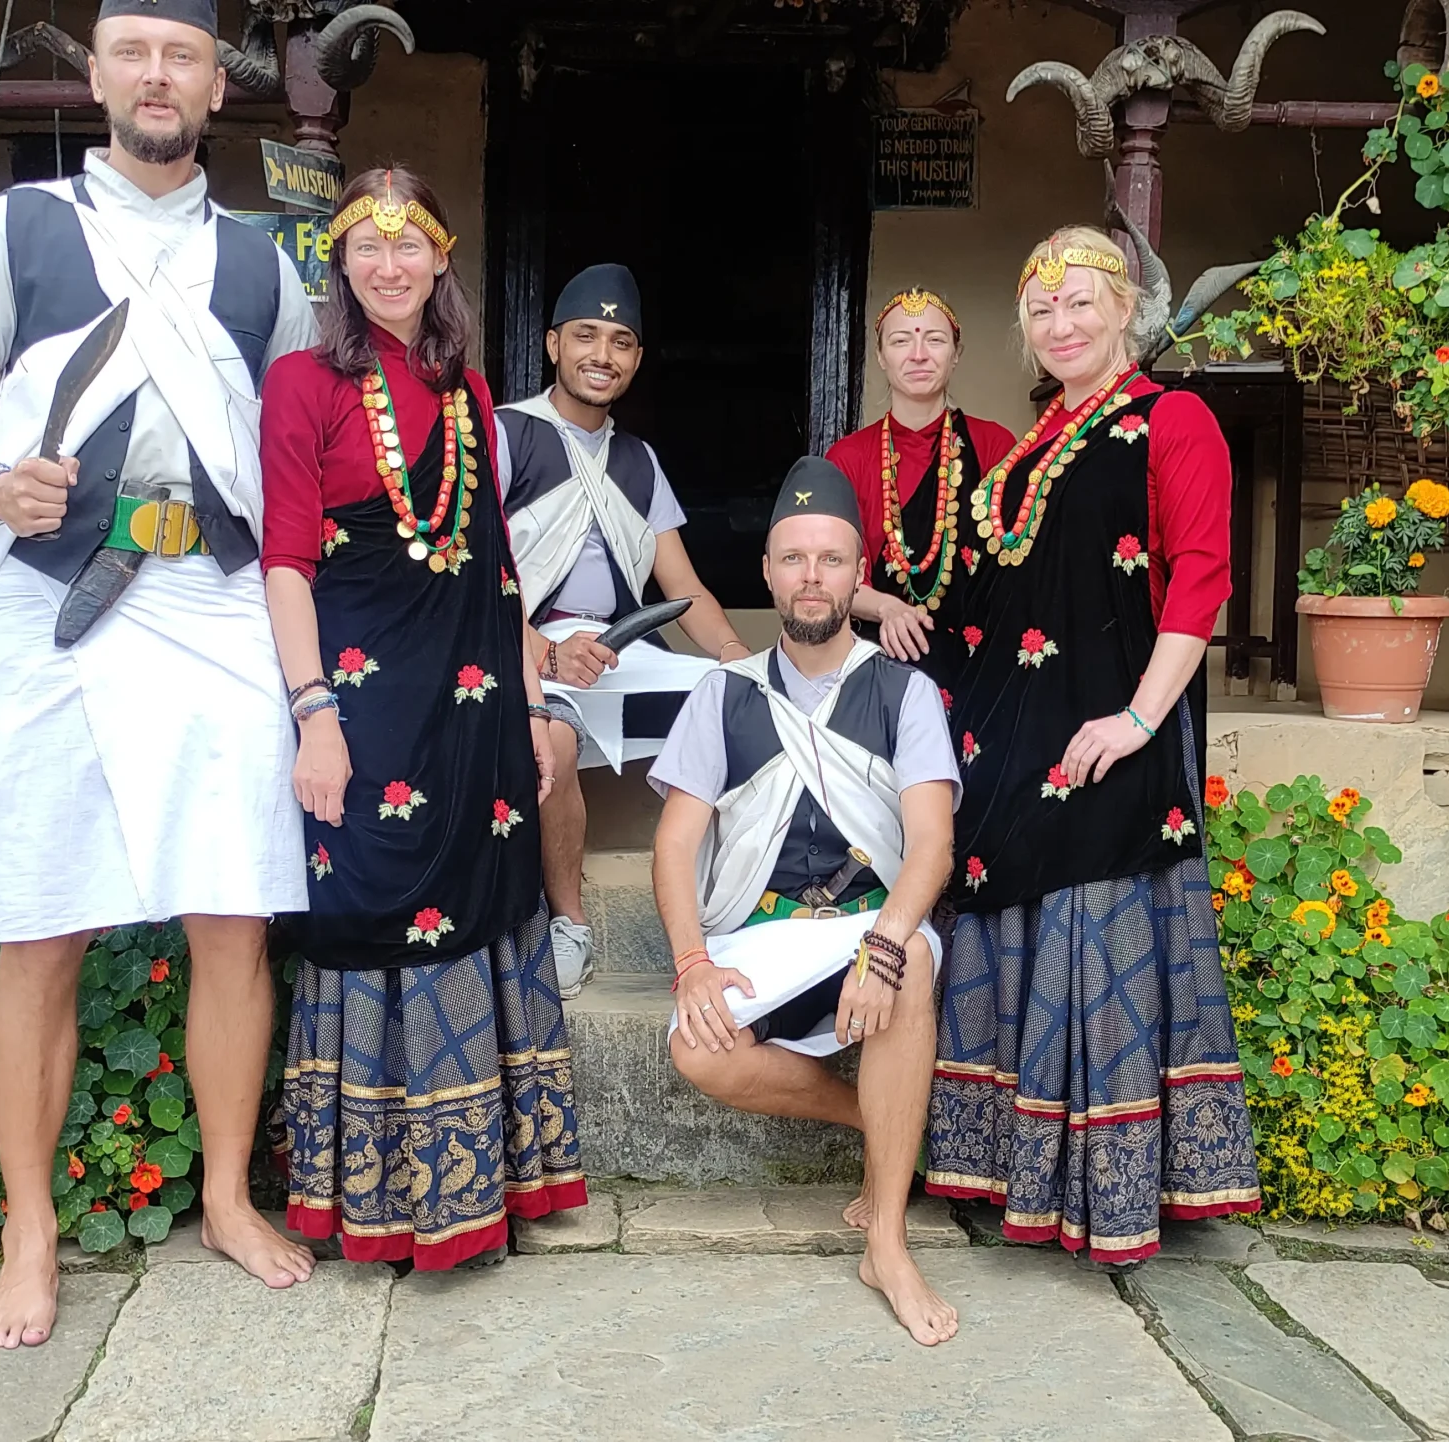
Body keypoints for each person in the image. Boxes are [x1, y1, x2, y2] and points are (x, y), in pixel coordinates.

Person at [0, 0, 319, 1348]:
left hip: (216, 603)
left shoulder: (263, 266)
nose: (156, 75)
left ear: (216, 85)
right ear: (93, 74)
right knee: (42, 927)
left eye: (181, 55)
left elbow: (296, 462)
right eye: (132, 52)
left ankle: (226, 1197)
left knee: (233, 918)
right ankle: (28, 1229)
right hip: (54, 605)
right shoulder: (19, 231)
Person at [258, 166, 588, 1270]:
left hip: (474, 703)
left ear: (441, 256)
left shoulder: (467, 390)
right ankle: (378, 1201)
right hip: (361, 706)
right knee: (372, 899)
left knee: (483, 900)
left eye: (409, 245)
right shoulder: (303, 383)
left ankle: (484, 1190)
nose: (389, 265)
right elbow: (287, 562)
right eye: (368, 246)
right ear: (341, 263)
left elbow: (497, 567)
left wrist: (532, 704)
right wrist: (313, 713)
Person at [922, 227, 1262, 1266]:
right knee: (1009, 933)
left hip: (1107, 735)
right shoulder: (1028, 446)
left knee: (1092, 934)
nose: (1060, 324)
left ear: (1126, 312)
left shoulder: (1172, 419)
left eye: (1080, 303)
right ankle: (1008, 1179)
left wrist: (1140, 719)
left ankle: (1101, 1199)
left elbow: (1200, 575)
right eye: (1041, 309)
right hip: (1006, 744)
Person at [653, 457, 960, 1345]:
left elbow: (931, 844)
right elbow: (673, 846)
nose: (812, 576)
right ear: (767, 573)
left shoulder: (904, 691)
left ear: (859, 575)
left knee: (909, 967)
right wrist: (691, 964)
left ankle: (888, 1244)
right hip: (760, 933)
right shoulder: (723, 694)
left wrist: (887, 945)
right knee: (698, 1052)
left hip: (872, 924)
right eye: (794, 559)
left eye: (831, 559)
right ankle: (880, 1126)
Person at [498, 264, 750, 999]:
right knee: (554, 741)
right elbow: (477, 577)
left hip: (618, 650)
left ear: (637, 359)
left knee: (742, 705)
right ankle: (568, 922)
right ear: (553, 344)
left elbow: (683, 589)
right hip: (523, 645)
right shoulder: (506, 433)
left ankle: (736, 909)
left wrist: (738, 658)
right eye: (586, 336)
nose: (601, 354)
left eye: (620, 341)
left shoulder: (639, 460)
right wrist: (545, 652)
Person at [823, 288, 1016, 667]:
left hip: (976, 659)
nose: (918, 354)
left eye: (935, 340)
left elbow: (1012, 570)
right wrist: (886, 607)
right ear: (881, 356)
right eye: (900, 341)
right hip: (875, 656)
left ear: (956, 354)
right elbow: (830, 572)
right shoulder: (848, 458)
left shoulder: (993, 445)